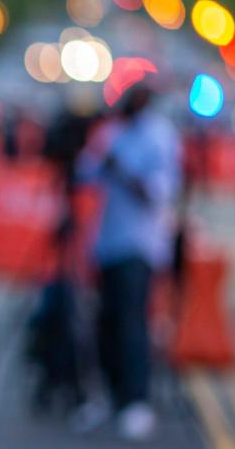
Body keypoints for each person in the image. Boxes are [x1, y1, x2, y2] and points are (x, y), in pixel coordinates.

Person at [72, 84, 181, 441]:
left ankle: (137, 401)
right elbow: (84, 173)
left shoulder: (160, 136)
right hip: (108, 243)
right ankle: (108, 393)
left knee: (132, 321)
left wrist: (121, 168)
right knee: (105, 320)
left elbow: (157, 194)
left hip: (142, 244)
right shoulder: (110, 131)